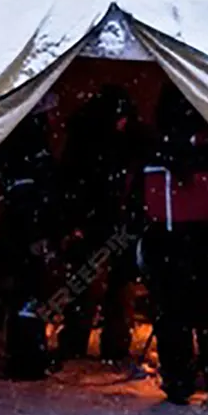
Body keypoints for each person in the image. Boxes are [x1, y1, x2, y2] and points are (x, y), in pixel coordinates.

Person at [138, 84, 208, 405]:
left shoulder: (152, 152)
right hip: (200, 246)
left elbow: (134, 203)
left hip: (169, 245)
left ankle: (181, 382)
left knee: (174, 321)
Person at [58, 85, 149, 363]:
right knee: (93, 286)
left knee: (105, 287)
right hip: (100, 222)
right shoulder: (96, 143)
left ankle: (101, 344)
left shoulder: (92, 140)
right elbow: (75, 182)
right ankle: (96, 344)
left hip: (107, 222)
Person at [0, 105, 58, 380]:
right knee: (28, 297)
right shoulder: (29, 143)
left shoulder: (19, 141)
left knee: (27, 295)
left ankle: (27, 355)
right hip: (27, 232)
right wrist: (36, 233)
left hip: (23, 229)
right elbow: (28, 194)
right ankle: (27, 359)